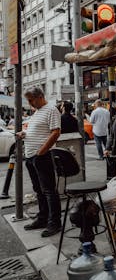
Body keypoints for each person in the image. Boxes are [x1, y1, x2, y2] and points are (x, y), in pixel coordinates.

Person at [17, 87, 62, 237]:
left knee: (49, 190)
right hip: (32, 157)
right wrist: (25, 134)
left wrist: (41, 151)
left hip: (42, 157)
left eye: (31, 100)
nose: (29, 103)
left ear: (40, 97)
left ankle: (54, 223)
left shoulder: (51, 110)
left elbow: (56, 132)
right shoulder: (37, 112)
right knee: (39, 190)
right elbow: (38, 131)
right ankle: (43, 218)